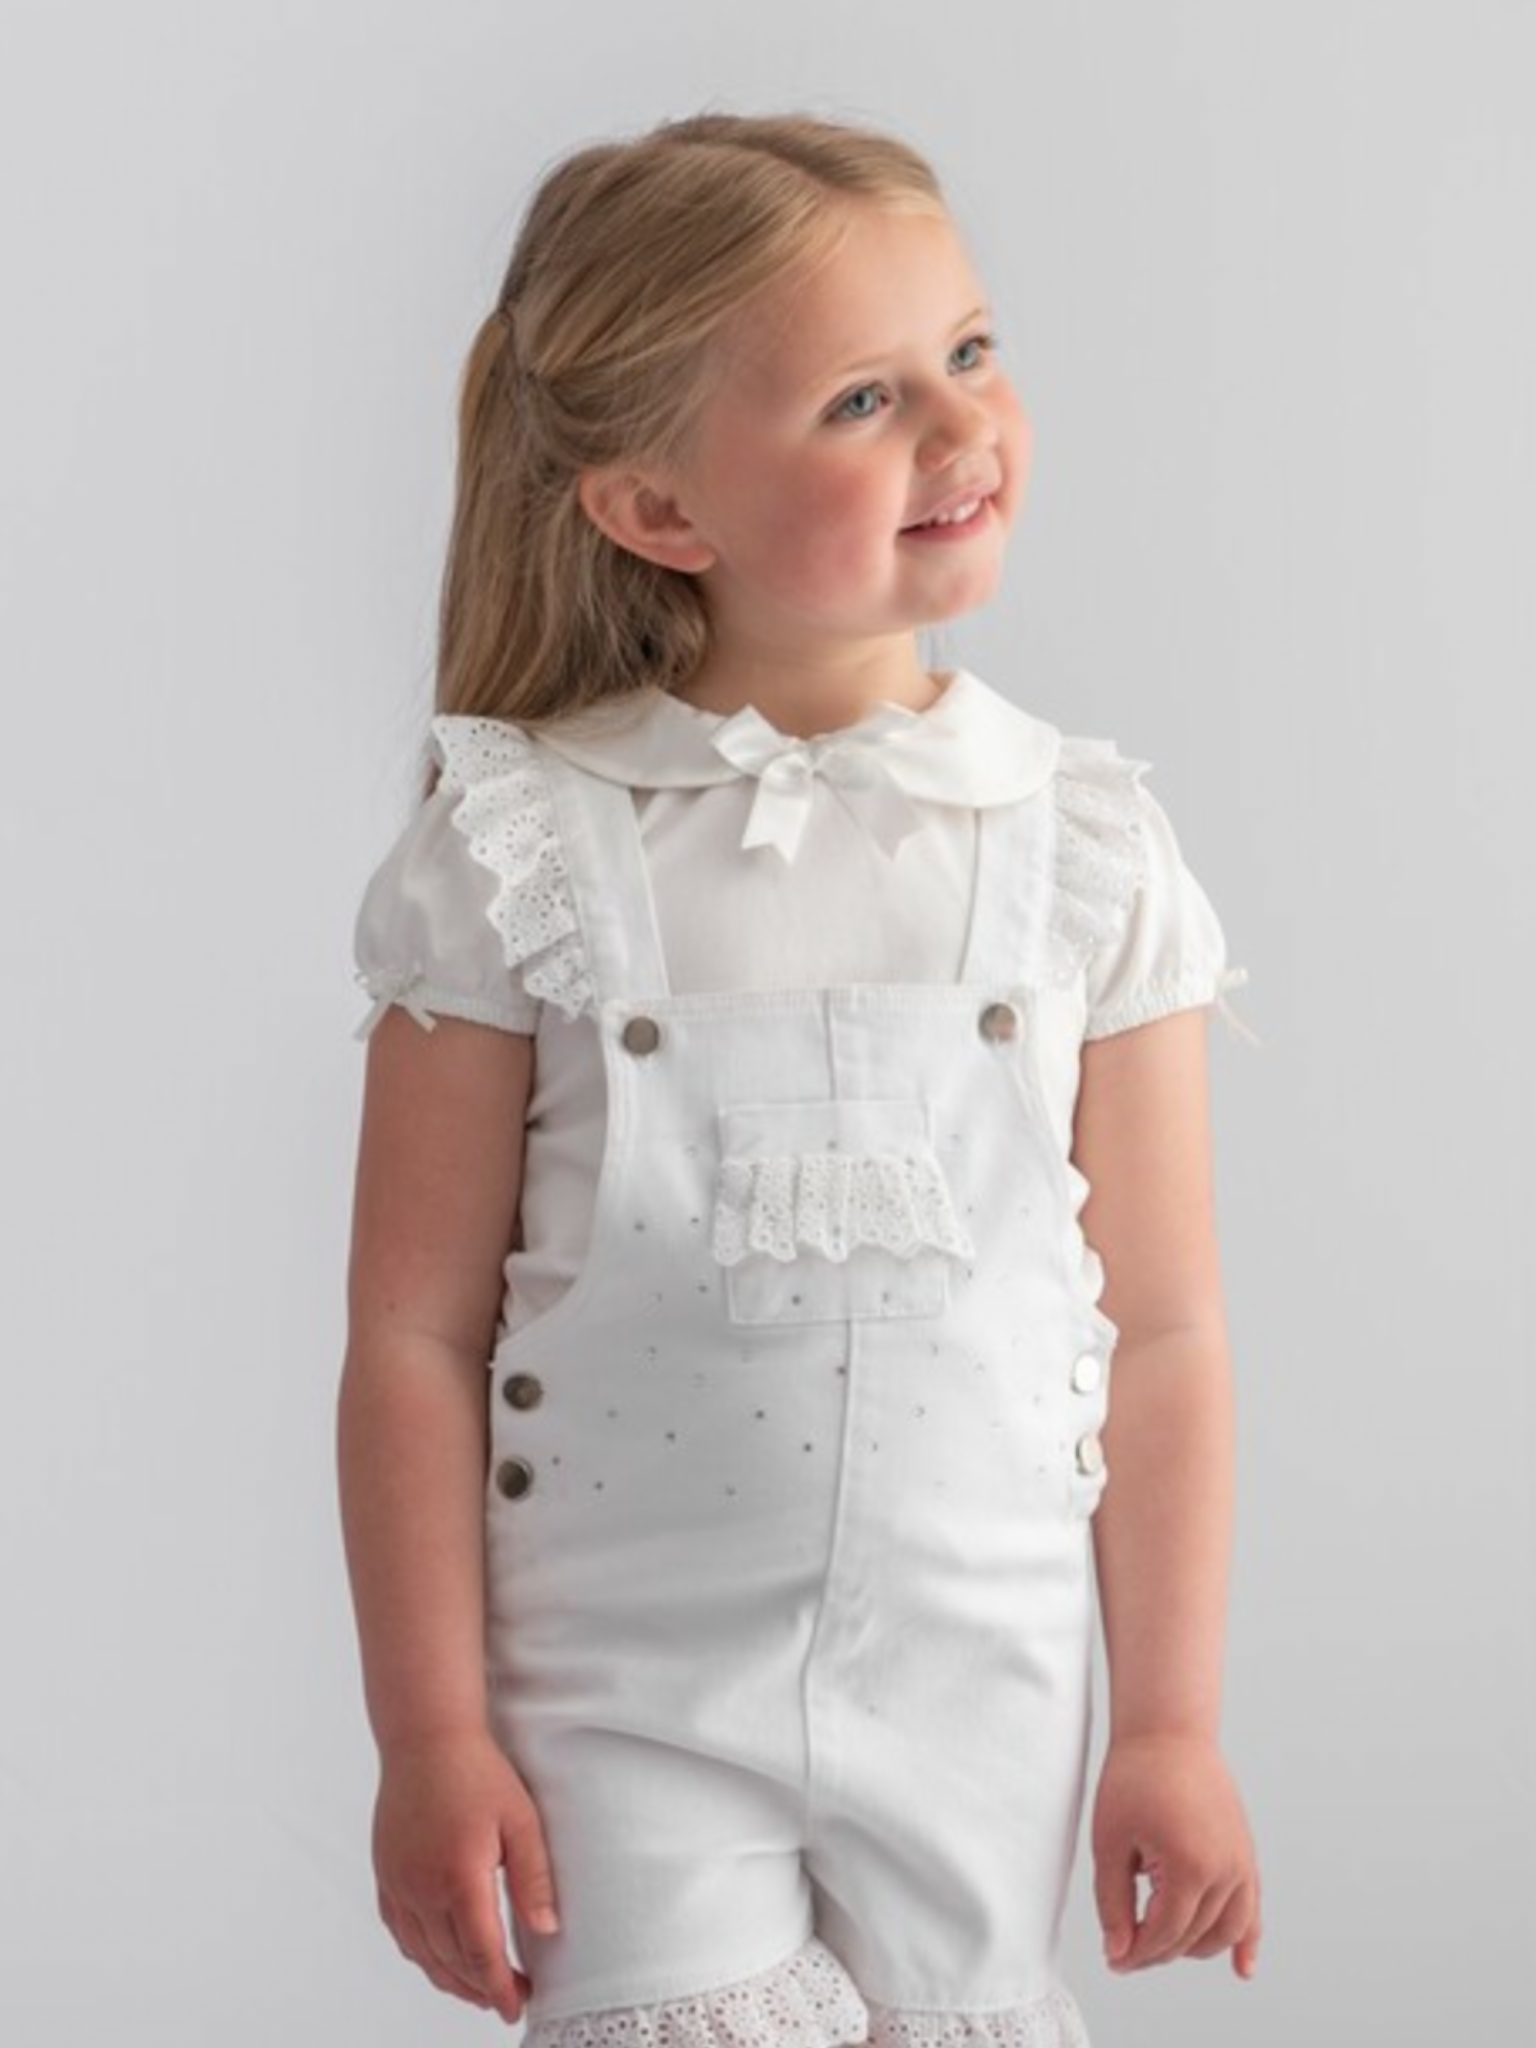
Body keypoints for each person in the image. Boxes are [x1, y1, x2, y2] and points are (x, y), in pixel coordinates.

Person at [337, 110, 1262, 2048]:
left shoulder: (1086, 849)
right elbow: (413, 1334)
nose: (963, 424)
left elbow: (1167, 1332)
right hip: (620, 1688)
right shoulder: (522, 845)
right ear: (657, 508)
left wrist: (1170, 1724)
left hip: (982, 1680)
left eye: (972, 351)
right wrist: (429, 1734)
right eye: (864, 397)